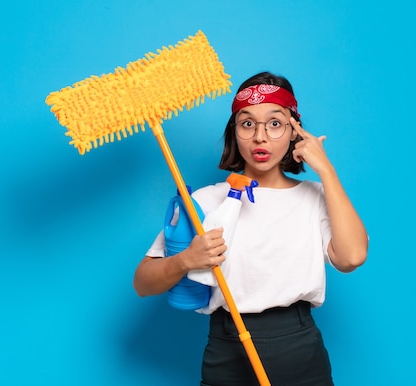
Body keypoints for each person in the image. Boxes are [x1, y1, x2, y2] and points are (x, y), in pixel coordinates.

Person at [133, 71, 368, 385]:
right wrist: (185, 260)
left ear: (294, 130)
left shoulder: (316, 197)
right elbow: (142, 283)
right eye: (247, 123)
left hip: (299, 347)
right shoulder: (202, 201)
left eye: (275, 123)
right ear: (234, 131)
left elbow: (351, 257)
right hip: (227, 348)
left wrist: (326, 170)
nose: (260, 137)